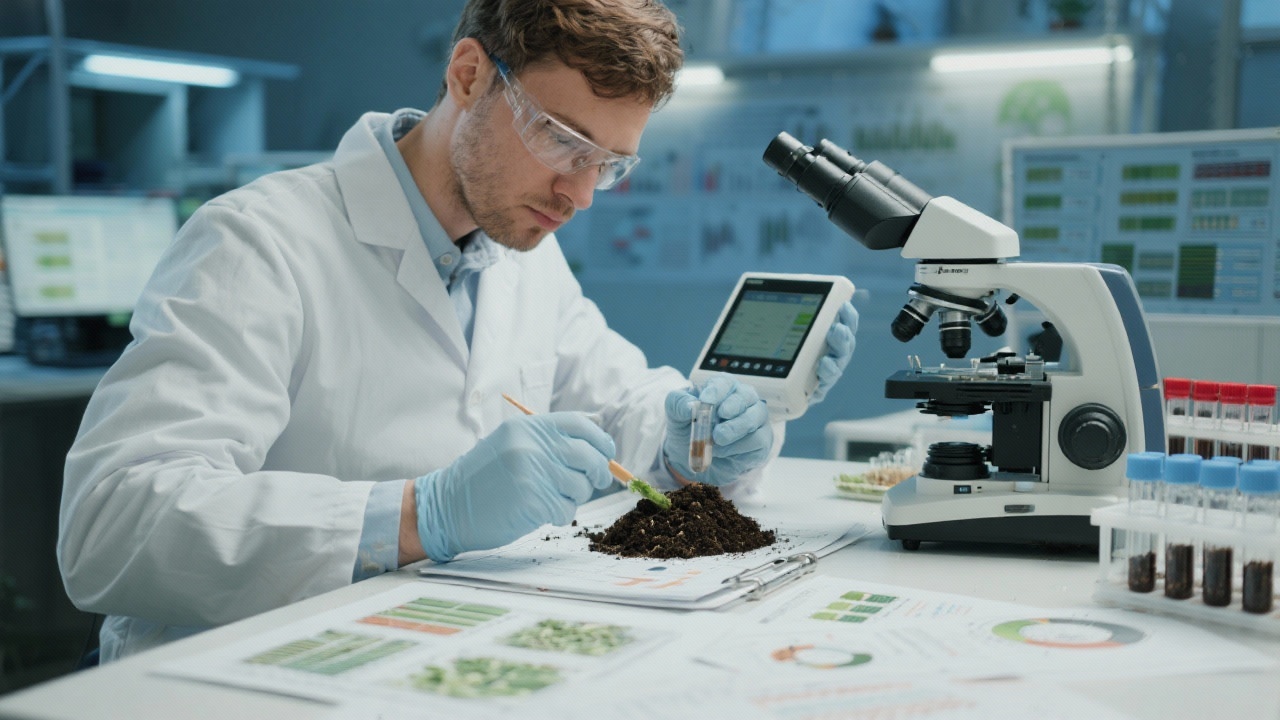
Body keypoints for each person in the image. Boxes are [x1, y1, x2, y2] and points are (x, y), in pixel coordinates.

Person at [58, 0, 859, 662]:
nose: (581, 195)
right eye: (563, 141)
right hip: (224, 676)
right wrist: (419, 514)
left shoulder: (523, 255)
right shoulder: (257, 242)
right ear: (469, 74)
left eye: (610, 165)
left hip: (422, 659)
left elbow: (623, 408)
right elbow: (109, 527)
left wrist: (701, 442)